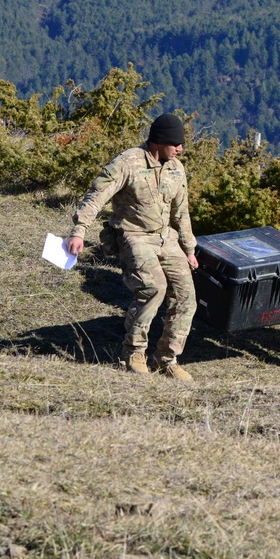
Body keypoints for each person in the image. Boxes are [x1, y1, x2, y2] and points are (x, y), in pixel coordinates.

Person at [65, 113, 199, 382]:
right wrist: (79, 231)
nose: (180, 148)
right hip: (133, 236)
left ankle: (167, 359)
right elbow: (97, 195)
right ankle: (134, 352)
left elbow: (181, 212)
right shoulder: (128, 163)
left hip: (166, 238)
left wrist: (189, 249)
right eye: (175, 144)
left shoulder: (176, 168)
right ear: (159, 142)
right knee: (154, 288)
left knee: (187, 296)